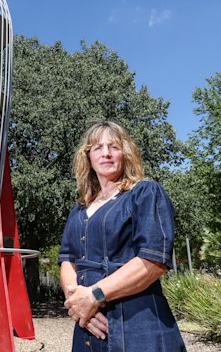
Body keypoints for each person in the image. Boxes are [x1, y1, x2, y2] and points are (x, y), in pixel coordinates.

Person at [59, 121, 186, 351]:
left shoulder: (145, 193)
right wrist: (77, 303)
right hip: (88, 328)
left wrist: (95, 295)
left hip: (138, 327)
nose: (106, 153)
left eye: (114, 147)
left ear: (125, 153)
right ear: (88, 157)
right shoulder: (79, 209)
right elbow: (68, 260)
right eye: (98, 148)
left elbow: (153, 261)